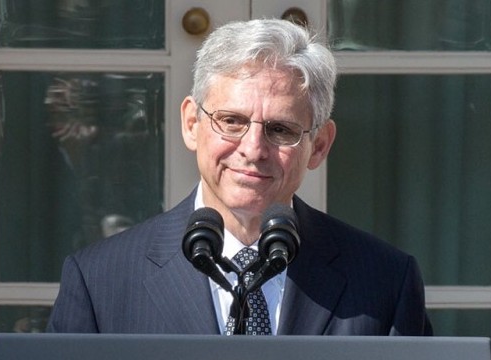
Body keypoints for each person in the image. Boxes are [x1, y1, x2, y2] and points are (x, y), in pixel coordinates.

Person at [46, 18, 432, 335]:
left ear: (318, 146)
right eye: (231, 121)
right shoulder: (100, 280)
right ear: (192, 124)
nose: (253, 149)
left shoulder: (384, 281)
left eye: (280, 129)